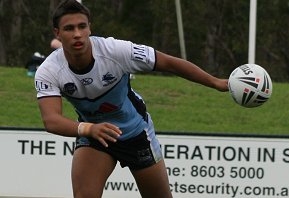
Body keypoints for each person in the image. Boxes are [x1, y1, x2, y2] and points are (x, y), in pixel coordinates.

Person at [34, 0, 228, 197]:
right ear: (57, 33)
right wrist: (89, 129)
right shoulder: (49, 70)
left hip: (136, 134)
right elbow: (51, 120)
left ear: (89, 28)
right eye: (69, 28)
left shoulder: (116, 51)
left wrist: (216, 83)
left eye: (82, 26)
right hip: (95, 135)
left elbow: (170, 63)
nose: (77, 34)